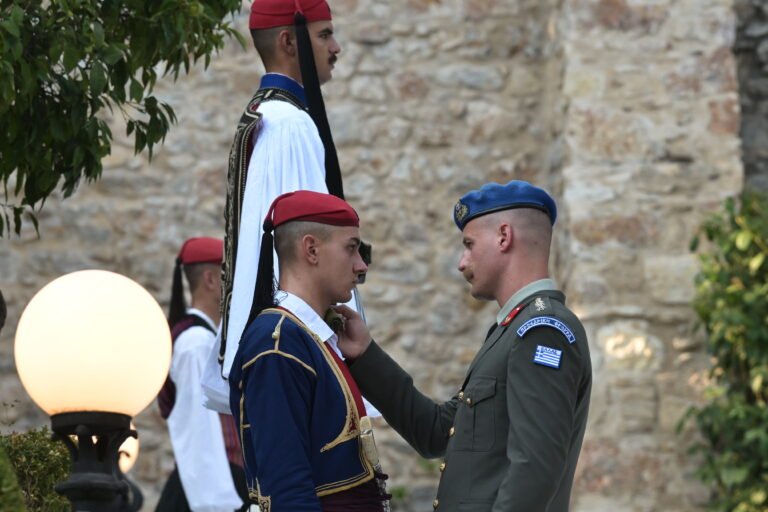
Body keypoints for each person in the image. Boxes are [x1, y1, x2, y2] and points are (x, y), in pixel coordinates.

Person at [335, 181, 593, 511]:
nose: (461, 262)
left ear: (504, 236)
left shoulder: (541, 330)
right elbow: (437, 432)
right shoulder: (512, 330)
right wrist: (365, 354)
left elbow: (535, 469)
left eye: (469, 245)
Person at [202, 0, 352, 414]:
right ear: (289, 40)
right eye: (324, 35)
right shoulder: (288, 123)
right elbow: (307, 245)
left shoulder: (268, 114)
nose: (336, 47)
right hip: (293, 348)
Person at [229, 190, 389, 511]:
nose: (361, 266)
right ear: (311, 249)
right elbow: (287, 485)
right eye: (352, 249)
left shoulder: (307, 338)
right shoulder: (277, 342)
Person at [156, 237, 248, 512]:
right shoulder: (196, 343)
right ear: (210, 280)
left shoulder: (206, 340)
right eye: (232, 276)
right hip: (210, 490)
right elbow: (199, 426)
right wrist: (217, 504)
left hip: (225, 481)